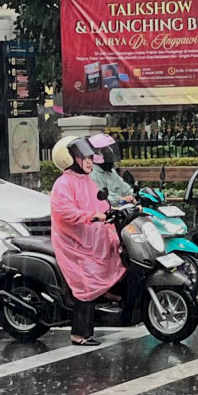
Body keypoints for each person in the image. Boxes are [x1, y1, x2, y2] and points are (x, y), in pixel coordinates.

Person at [49, 135, 126, 346]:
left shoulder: (87, 181)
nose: (90, 161)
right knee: (86, 284)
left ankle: (109, 294)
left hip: (91, 237)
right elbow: (64, 211)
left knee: (118, 254)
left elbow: (101, 203)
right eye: (84, 157)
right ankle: (79, 334)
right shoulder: (63, 184)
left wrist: (113, 211)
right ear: (70, 160)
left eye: (90, 157)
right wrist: (90, 216)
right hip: (74, 244)